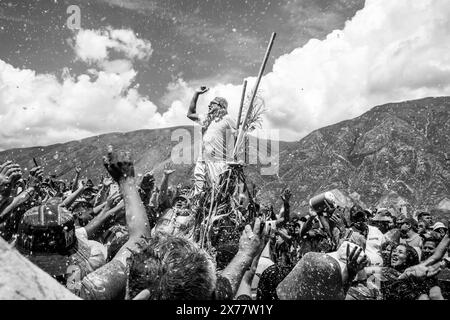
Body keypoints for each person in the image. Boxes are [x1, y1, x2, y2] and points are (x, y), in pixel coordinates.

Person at [187, 86, 237, 195]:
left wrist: (235, 157)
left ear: (221, 106)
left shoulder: (227, 119)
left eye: (212, 103)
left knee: (215, 192)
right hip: (202, 161)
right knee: (198, 192)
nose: (209, 105)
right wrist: (196, 93)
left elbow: (238, 137)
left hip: (218, 162)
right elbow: (190, 114)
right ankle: (197, 209)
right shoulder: (206, 119)